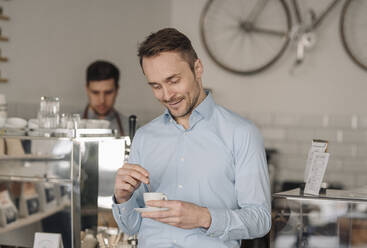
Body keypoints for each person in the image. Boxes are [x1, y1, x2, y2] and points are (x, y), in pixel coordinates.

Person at [112, 28, 271, 247]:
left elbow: (260, 220)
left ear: (197, 68)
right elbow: (131, 226)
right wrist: (123, 198)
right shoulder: (145, 137)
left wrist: (204, 217)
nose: (167, 95)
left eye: (173, 80)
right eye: (156, 86)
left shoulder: (241, 133)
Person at [83, 60, 128, 135]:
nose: (102, 100)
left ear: (117, 90)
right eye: (95, 92)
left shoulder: (130, 127)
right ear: (87, 89)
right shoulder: (69, 126)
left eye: (108, 92)